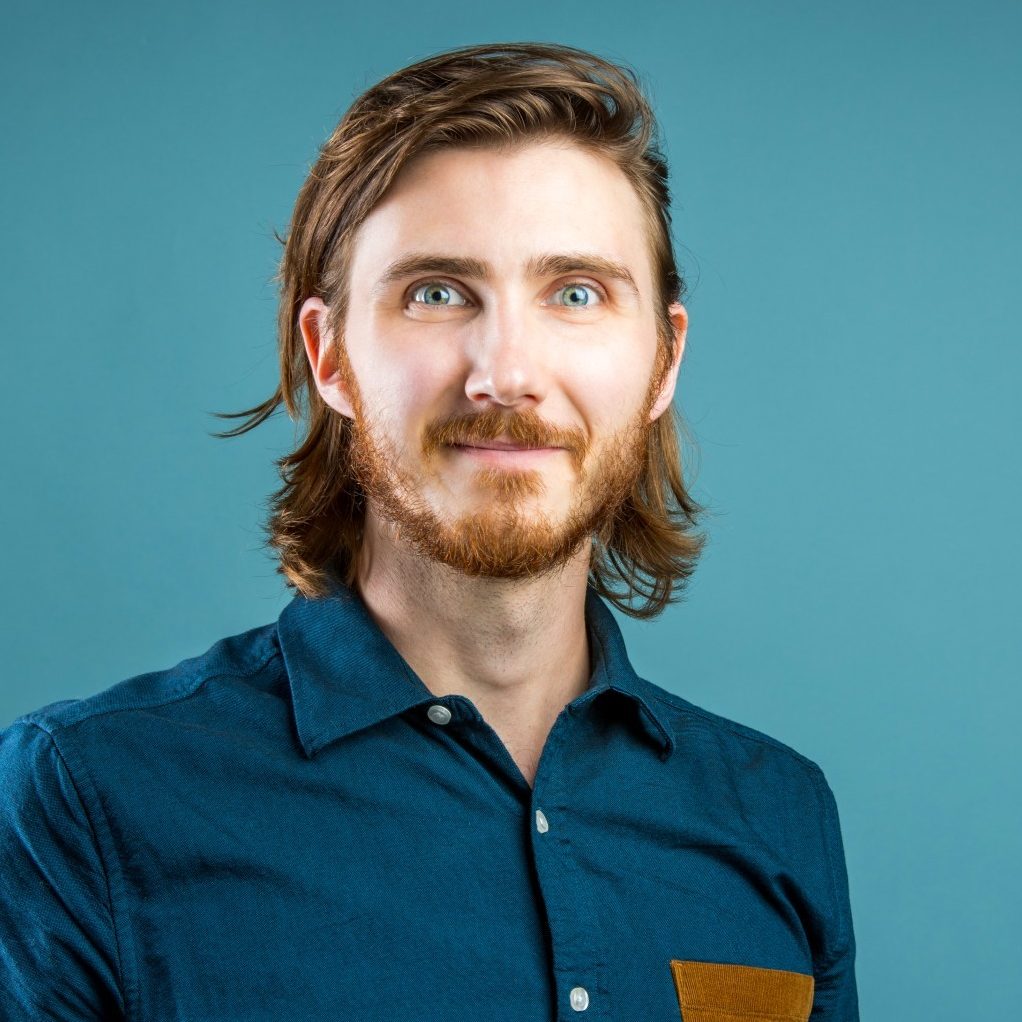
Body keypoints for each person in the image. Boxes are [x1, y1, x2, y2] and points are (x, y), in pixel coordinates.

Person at [0, 42, 858, 1021]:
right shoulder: (84, 797)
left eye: (575, 292)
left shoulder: (779, 814)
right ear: (329, 357)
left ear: (662, 362)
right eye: (436, 292)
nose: (504, 371)